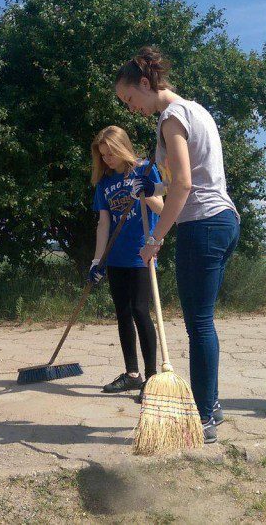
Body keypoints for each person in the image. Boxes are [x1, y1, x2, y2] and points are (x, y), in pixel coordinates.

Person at [115, 47, 240, 444]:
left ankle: (203, 416)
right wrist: (154, 186)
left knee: (199, 323)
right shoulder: (195, 109)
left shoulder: (171, 117)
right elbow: (181, 179)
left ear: (147, 84)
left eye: (130, 99)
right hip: (223, 220)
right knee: (203, 320)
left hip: (201, 224)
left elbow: (185, 185)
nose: (131, 108)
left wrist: (155, 238)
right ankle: (212, 403)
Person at [87, 126, 163, 398]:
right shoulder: (105, 182)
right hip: (115, 256)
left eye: (110, 153)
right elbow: (103, 223)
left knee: (141, 310)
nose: (106, 159)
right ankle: (132, 374)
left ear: (121, 148)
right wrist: (98, 260)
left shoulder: (144, 170)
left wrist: (146, 192)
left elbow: (163, 208)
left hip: (141, 253)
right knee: (123, 313)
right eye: (102, 155)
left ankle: (152, 378)